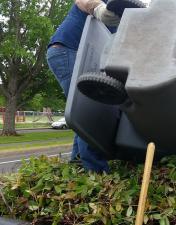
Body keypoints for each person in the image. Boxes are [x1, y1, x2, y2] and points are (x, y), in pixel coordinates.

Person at [46, 0, 124, 172]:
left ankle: (78, 162)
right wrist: (99, 9)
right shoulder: (108, 5)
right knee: (91, 109)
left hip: (82, 54)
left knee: (82, 111)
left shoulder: (121, 20)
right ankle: (95, 170)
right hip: (68, 51)